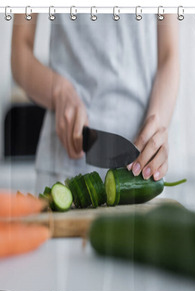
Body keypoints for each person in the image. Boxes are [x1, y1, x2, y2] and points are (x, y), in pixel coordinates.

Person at [11, 13, 179, 192]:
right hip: (62, 166)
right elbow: (20, 54)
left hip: (142, 170)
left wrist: (156, 126)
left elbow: (169, 55)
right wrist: (59, 91)